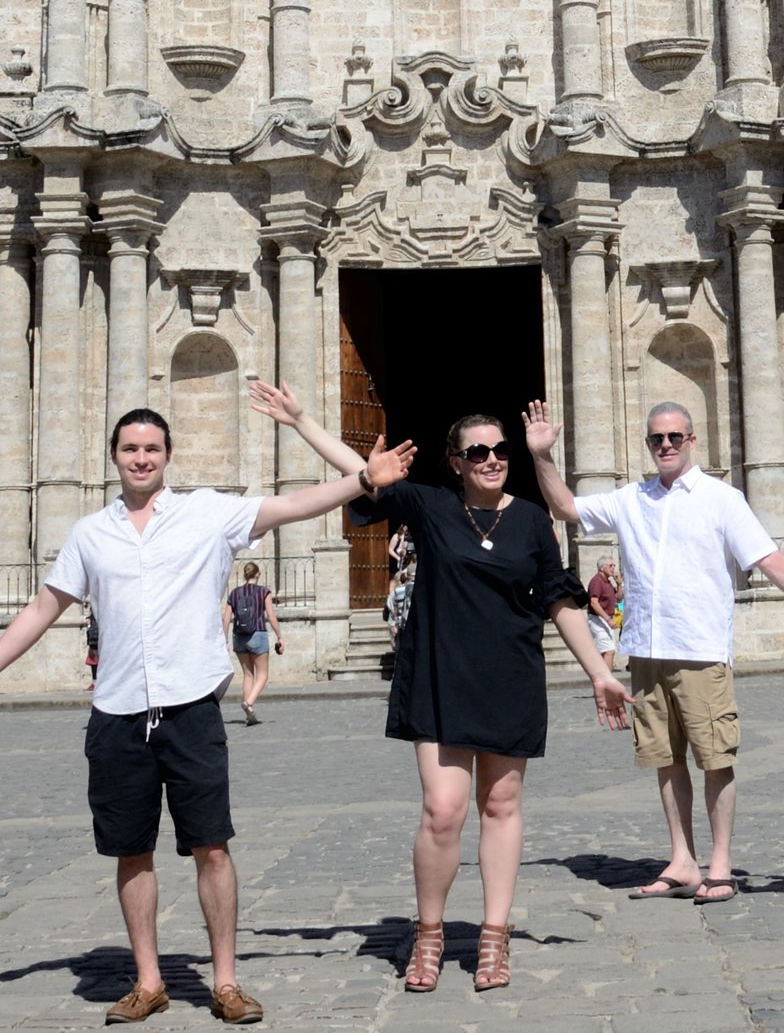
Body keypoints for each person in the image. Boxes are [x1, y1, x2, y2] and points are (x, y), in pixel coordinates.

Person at [0, 406, 416, 1026]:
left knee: (212, 847)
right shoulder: (89, 534)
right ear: (114, 455)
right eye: (130, 448)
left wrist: (364, 482)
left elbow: (294, 505)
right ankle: (149, 980)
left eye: (152, 448)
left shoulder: (208, 514)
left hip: (190, 709)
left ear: (168, 455)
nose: (141, 458)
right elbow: (42, 606)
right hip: (117, 712)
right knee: (131, 852)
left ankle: (226, 981)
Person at [249, 376, 629, 994]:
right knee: (443, 810)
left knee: (501, 806)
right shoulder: (433, 507)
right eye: (477, 452)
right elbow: (367, 472)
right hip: (440, 676)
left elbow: (560, 599)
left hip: (509, 678)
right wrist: (302, 423)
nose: (492, 460)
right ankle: (429, 935)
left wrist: (601, 673)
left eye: (500, 449)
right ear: (455, 463)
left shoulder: (533, 522)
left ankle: (493, 938)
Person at [528, 398, 784, 907]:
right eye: (656, 439)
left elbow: (765, 556)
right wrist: (542, 456)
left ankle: (720, 864)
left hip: (700, 650)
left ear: (692, 441)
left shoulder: (720, 499)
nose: (664, 446)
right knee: (665, 760)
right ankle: (682, 860)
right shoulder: (630, 500)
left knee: (715, 759)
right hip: (645, 650)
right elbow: (567, 508)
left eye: (674, 437)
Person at [225, 564, 281, 725]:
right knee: (262, 675)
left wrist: (225, 641)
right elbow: (270, 616)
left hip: (239, 636)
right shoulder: (264, 592)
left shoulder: (234, 594)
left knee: (248, 675)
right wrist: (279, 636)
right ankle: (248, 703)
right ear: (257, 574)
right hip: (258, 634)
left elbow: (226, 618)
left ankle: (249, 714)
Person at [584, 555, 621, 672]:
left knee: (607, 651)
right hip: (598, 619)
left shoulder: (608, 582)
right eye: (610, 565)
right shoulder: (597, 582)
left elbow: (619, 599)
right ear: (602, 568)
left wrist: (619, 584)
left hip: (605, 619)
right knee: (608, 651)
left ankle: (605, 679)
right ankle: (607, 680)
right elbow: (594, 602)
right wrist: (608, 619)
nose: (613, 568)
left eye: (614, 565)